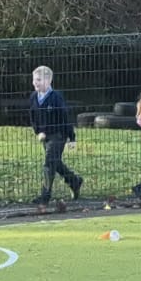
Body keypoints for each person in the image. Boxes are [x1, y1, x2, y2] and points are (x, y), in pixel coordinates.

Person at [29, 65, 82, 208]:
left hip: (58, 135)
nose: (35, 83)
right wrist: (38, 131)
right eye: (34, 79)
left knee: (49, 164)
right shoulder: (34, 97)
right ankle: (75, 181)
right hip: (44, 137)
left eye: (39, 80)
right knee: (55, 163)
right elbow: (33, 118)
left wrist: (72, 138)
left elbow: (65, 118)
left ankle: (45, 196)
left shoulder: (56, 98)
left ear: (48, 81)